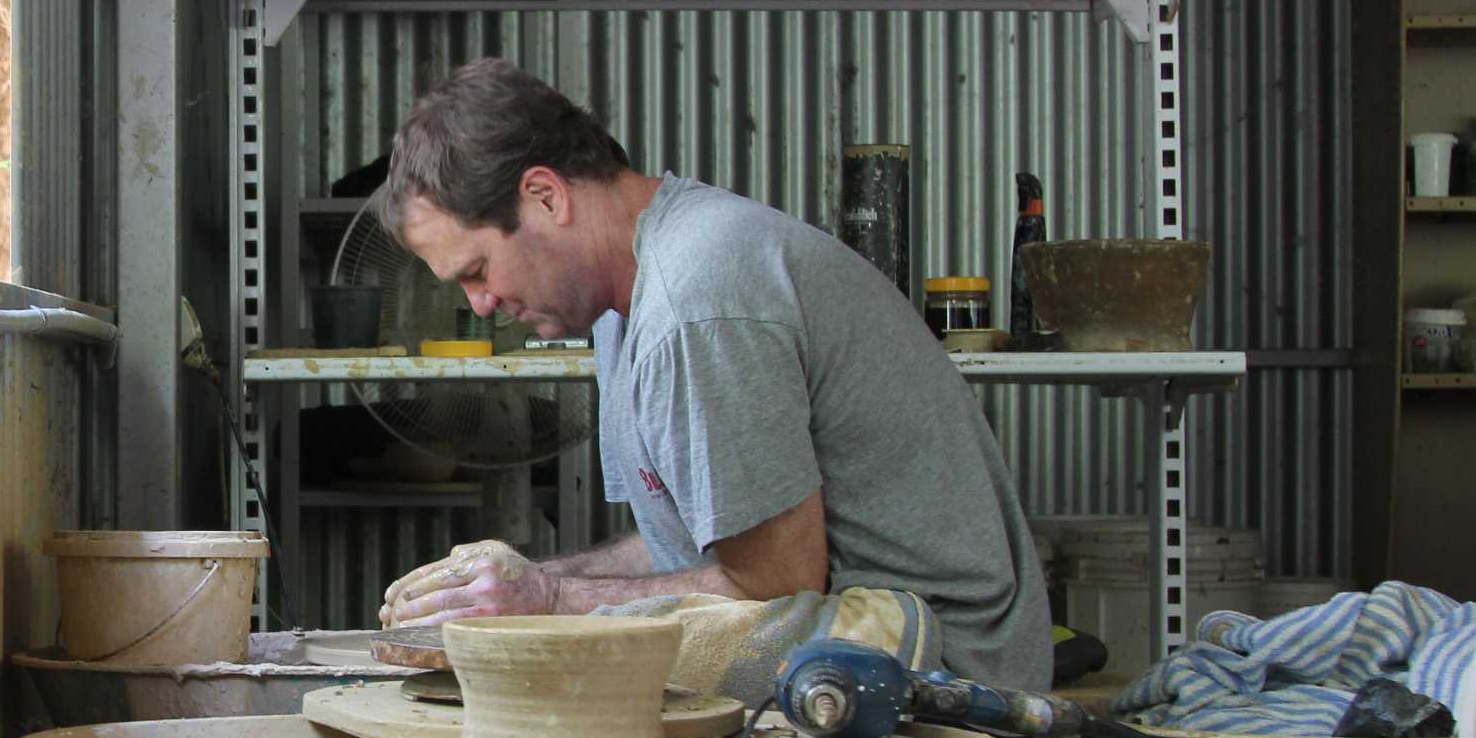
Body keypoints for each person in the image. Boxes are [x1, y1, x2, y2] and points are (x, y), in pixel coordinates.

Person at [373, 58, 1053, 692]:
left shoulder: (696, 299)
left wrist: (549, 602)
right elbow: (692, 542)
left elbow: (774, 586)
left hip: (950, 653)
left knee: (575, 655)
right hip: (834, 608)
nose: (481, 306)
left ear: (546, 197)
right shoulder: (623, 305)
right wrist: (521, 582)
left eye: (476, 271)